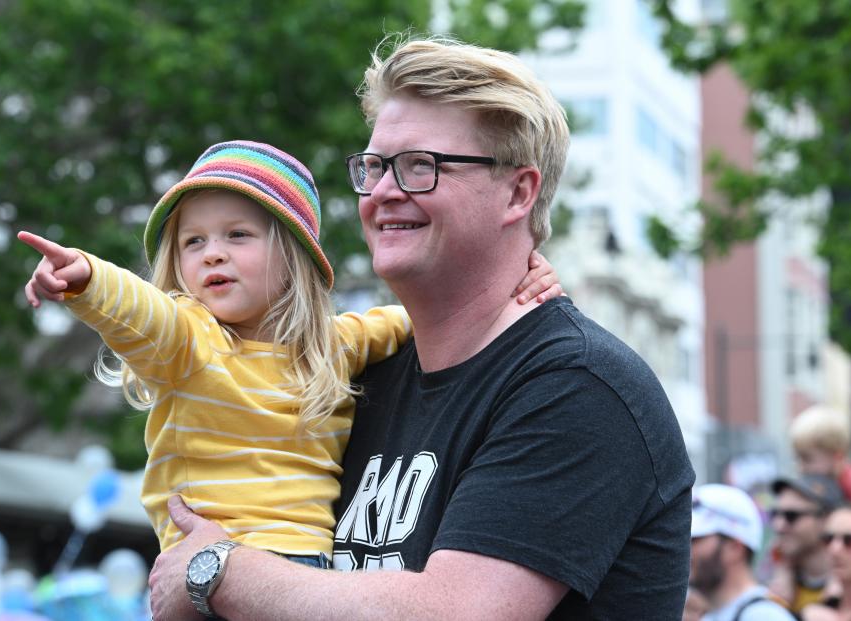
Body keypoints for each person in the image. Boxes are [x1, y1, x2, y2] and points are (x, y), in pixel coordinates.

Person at [147, 34, 695, 620]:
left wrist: (218, 570)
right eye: (376, 167)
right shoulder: (362, 374)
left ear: (518, 192)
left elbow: (459, 613)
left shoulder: (579, 388)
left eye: (420, 168)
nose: (383, 192)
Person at [19, 141, 560, 565]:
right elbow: (141, 311)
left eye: (237, 234)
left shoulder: (333, 346)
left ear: (292, 255)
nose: (213, 254)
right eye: (193, 241)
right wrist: (86, 278)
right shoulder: (189, 342)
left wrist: (517, 283)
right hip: (216, 564)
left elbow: (428, 318)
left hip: (308, 573)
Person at [689, 484, 795, 620]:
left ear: (735, 548)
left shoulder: (763, 616)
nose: (686, 551)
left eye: (695, 540)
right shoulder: (713, 615)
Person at [790, 404, 851, 533]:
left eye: (807, 459)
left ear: (837, 457)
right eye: (798, 459)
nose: (801, 467)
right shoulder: (827, 482)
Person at [768, 473, 843, 613]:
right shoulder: (771, 580)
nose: (778, 525)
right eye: (775, 514)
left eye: (791, 516)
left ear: (827, 519)